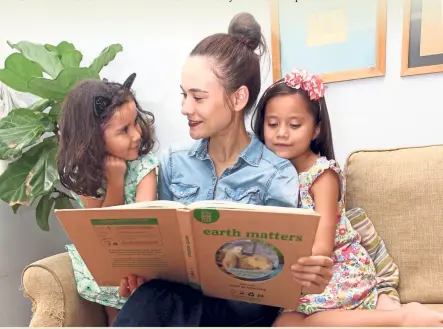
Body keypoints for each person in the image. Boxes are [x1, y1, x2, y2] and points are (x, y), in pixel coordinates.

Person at [112, 13, 333, 327]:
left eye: (198, 97)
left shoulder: (276, 173)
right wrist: (141, 274)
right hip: (185, 301)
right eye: (184, 95)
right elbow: (163, 255)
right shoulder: (174, 162)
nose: (185, 108)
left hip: (244, 308)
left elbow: (277, 270)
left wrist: (308, 274)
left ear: (238, 97)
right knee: (153, 297)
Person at [251, 67, 443, 327]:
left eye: (294, 124)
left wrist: (285, 262)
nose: (282, 132)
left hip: (334, 268)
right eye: (273, 124)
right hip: (298, 274)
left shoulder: (322, 174)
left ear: (316, 130)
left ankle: (401, 318)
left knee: (313, 323)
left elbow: (323, 245)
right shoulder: (267, 174)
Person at [57, 73, 159, 325]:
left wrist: (119, 177)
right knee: (115, 315)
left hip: (140, 253)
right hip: (106, 256)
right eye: (124, 130)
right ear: (92, 138)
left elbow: (139, 225)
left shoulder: (144, 166)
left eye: (135, 123)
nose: (136, 135)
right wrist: (115, 181)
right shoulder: (84, 176)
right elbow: (104, 227)